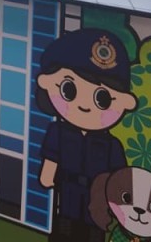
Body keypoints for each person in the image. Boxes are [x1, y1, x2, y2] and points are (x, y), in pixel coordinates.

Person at [35, 28, 138, 242]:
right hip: (68, 190)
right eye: (69, 90)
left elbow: (118, 176)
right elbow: (52, 158)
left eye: (102, 99)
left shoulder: (112, 145)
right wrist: (47, 175)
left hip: (97, 196)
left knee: (94, 231)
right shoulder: (58, 131)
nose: (84, 105)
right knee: (65, 226)